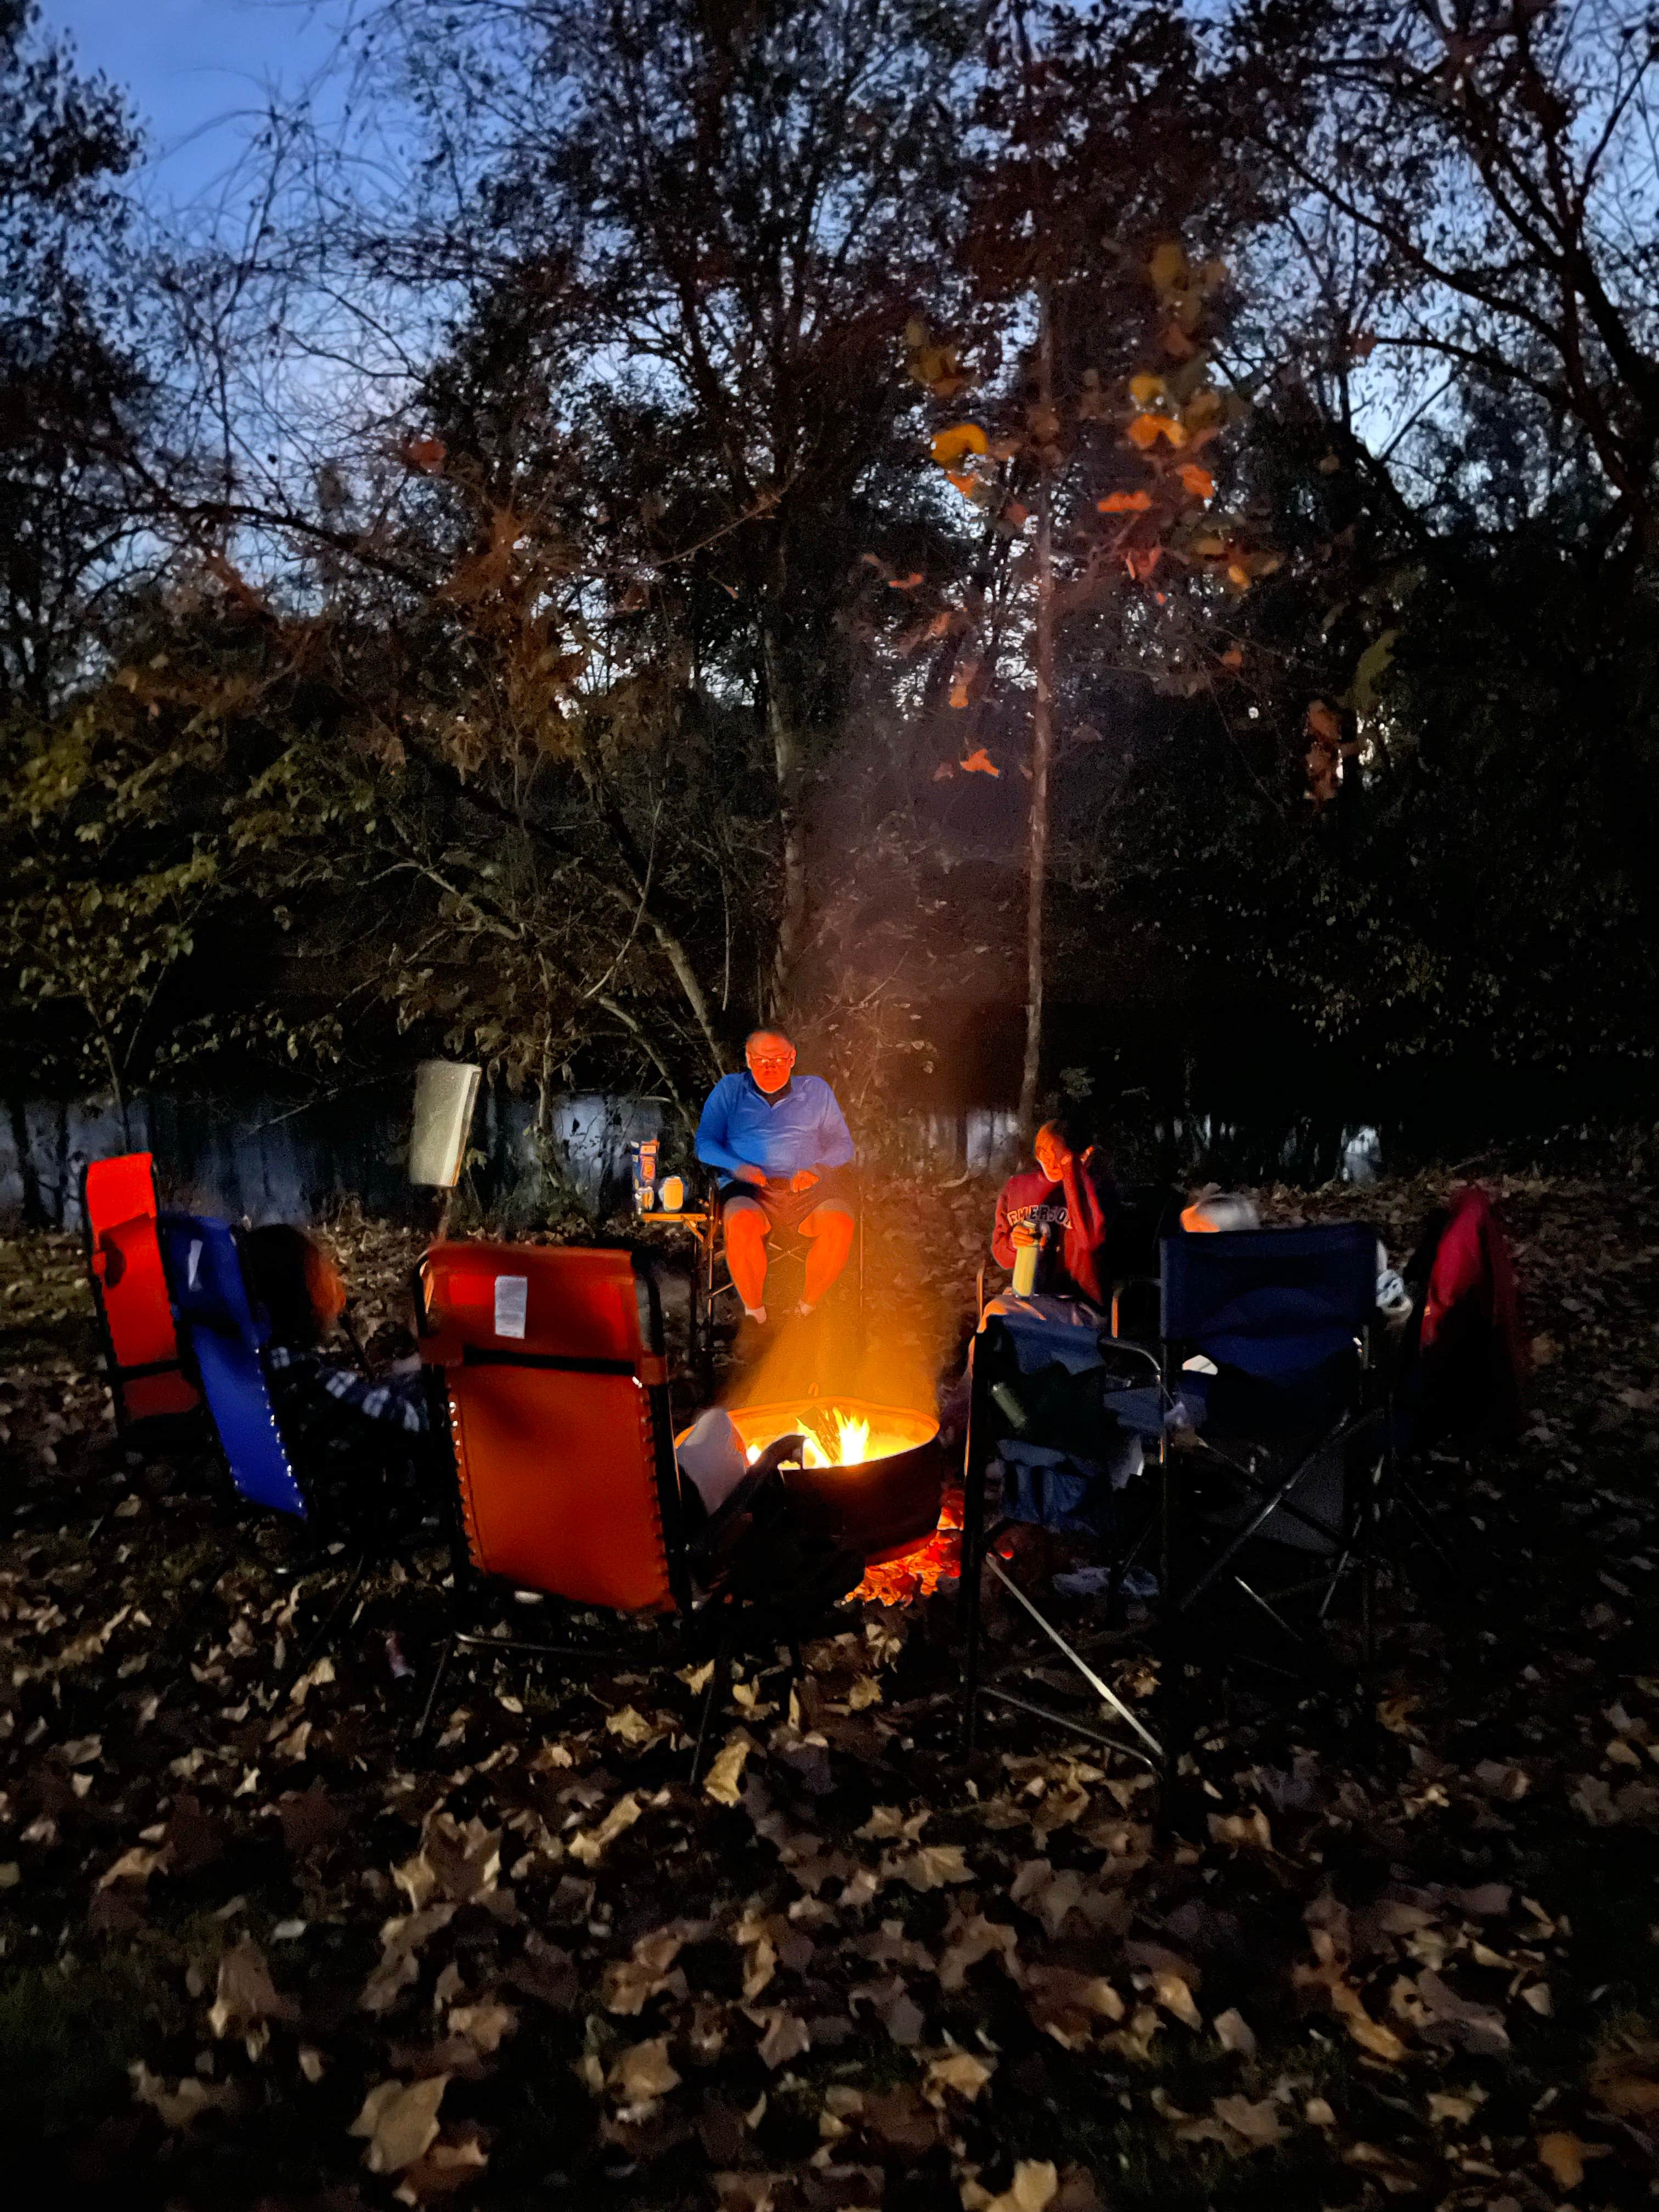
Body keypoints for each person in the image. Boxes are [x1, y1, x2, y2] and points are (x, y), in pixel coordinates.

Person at [240, 1224, 433, 1515]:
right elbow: (412, 1422)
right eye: (320, 1282)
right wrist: (445, 1382)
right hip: (365, 1491)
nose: (334, 1287)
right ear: (298, 1299)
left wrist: (409, 1374)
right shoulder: (305, 1381)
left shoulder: (267, 1365)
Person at [695, 1028, 856, 1323]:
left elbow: (843, 1145)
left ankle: (805, 1312)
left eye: (779, 1060)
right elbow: (704, 1144)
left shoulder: (816, 1091)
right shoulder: (730, 1090)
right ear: (748, 1059)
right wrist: (737, 1166)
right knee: (741, 1222)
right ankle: (756, 1317)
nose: (769, 1068)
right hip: (749, 1188)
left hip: (807, 1187)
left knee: (840, 1224)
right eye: (761, 1060)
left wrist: (817, 1169)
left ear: (792, 1058)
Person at [991, 1112, 1116, 1309]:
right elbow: (1001, 1255)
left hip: (1080, 1304)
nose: (1050, 1161)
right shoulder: (1017, 1188)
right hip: (1027, 1296)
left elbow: (1089, 1240)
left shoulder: (1095, 1188)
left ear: (1084, 1155)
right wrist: (1013, 1243)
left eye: (1057, 1153)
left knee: (998, 1313)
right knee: (996, 1315)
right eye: (1044, 1153)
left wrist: (1070, 1170)